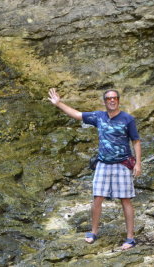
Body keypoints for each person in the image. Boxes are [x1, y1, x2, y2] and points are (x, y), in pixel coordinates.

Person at [48, 88, 142, 250]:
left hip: (122, 164)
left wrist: (138, 163)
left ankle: (130, 238)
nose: (112, 101)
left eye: (114, 98)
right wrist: (58, 104)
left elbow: (136, 141)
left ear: (118, 100)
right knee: (97, 198)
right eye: (108, 99)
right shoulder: (98, 116)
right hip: (103, 164)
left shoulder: (128, 119)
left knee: (125, 200)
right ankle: (93, 232)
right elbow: (77, 115)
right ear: (105, 102)